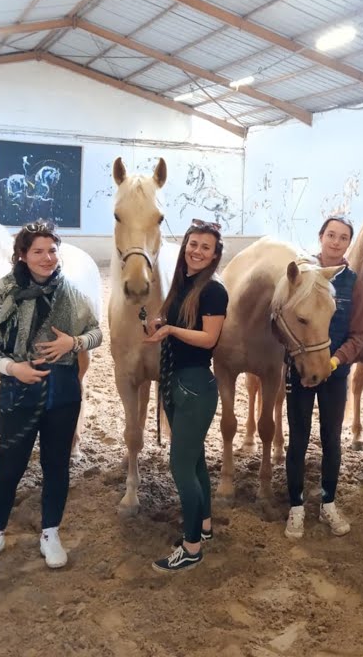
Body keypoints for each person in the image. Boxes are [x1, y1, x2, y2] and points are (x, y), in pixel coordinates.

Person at [0, 219, 103, 568]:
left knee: (56, 467)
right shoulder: (3, 292)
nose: (47, 258)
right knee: (8, 469)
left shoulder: (71, 291)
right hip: (18, 391)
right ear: (22, 255)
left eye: (52, 251)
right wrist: (13, 368)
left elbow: (96, 333)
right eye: (38, 252)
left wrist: (73, 342)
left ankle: (50, 533)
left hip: (63, 393)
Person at [143, 219, 228, 573]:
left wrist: (171, 331)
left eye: (205, 247)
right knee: (194, 462)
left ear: (214, 255)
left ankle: (191, 547)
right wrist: (159, 324)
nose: (197, 251)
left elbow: (209, 339)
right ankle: (204, 526)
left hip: (194, 387)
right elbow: (176, 322)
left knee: (180, 467)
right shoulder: (183, 284)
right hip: (178, 382)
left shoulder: (213, 291)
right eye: (193, 244)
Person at [283, 216, 363, 539]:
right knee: (298, 438)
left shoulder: (354, 283)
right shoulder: (298, 274)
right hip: (300, 372)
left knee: (332, 439)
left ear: (349, 243)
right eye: (331, 235)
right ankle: (296, 506)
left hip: (334, 372)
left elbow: (359, 335)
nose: (336, 242)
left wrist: (334, 362)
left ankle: (328, 502)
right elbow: (280, 322)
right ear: (320, 237)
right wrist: (299, 358)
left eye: (343, 237)